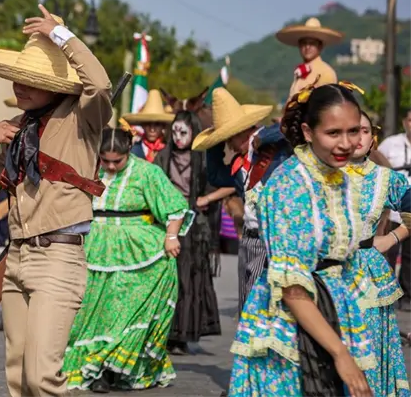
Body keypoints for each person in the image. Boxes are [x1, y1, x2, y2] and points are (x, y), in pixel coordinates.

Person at [227, 83, 411, 397]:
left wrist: (391, 237)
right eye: (333, 133)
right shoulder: (289, 185)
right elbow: (292, 287)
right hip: (292, 324)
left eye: (354, 131)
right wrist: (340, 353)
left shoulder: (340, 177)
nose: (347, 143)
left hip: (340, 309)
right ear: (308, 132)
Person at [0, 4, 113, 397]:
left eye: (30, 80)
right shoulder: (14, 128)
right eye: (17, 79)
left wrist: (61, 36)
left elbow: (99, 85)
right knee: (17, 377)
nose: (20, 86)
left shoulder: (82, 119)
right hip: (15, 257)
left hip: (59, 257)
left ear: (55, 84)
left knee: (43, 378)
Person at [62, 126, 189, 392]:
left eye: (116, 161)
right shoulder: (90, 169)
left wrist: (171, 237)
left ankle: (112, 370)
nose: (109, 165)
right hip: (96, 247)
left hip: (140, 251)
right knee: (95, 310)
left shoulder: (147, 173)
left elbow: (174, 207)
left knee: (127, 311)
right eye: (105, 160)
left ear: (128, 151)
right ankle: (94, 366)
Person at [193, 88, 288, 312]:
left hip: (279, 238)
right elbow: (216, 176)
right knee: (249, 307)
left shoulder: (276, 148)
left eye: (228, 139)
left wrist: (261, 137)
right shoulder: (238, 164)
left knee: (278, 309)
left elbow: (289, 129)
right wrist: (215, 139)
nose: (229, 146)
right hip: (251, 240)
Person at [342, 108, 411, 396]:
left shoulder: (386, 179)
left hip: (367, 276)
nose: (358, 137)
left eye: (365, 131)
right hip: (325, 274)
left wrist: (392, 237)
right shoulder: (319, 174)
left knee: (365, 355)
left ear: (373, 139)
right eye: (351, 130)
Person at [155, 111, 230, 355]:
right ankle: (163, 334)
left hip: (194, 229)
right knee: (167, 280)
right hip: (164, 226)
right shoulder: (162, 157)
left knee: (188, 281)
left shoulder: (204, 158)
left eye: (183, 132)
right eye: (174, 131)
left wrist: (205, 197)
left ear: (194, 132)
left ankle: (183, 335)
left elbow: (229, 184)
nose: (178, 137)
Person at [377, 106, 411, 310]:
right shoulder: (391, 144)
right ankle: (386, 292)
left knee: (409, 256)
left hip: (409, 210)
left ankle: (407, 296)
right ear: (404, 122)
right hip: (390, 210)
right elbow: (376, 163)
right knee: (387, 253)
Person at [275, 17, 342, 99]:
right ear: (299, 46)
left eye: (312, 44)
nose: (307, 47)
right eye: (304, 43)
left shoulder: (325, 72)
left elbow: (326, 105)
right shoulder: (299, 72)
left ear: (320, 46)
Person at [121, 89, 173, 162]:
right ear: (142, 125)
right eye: (148, 124)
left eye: (157, 125)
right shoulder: (131, 151)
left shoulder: (172, 152)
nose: (152, 129)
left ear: (163, 126)